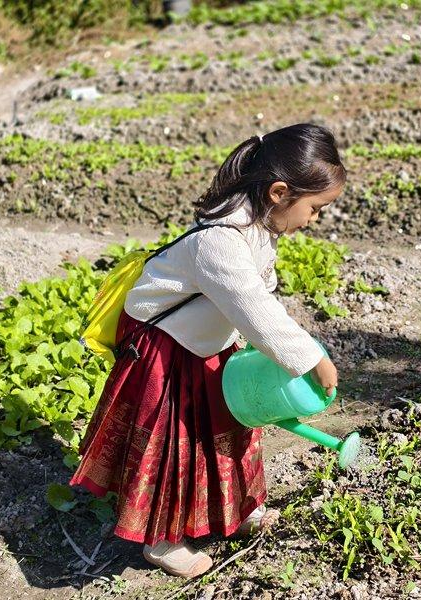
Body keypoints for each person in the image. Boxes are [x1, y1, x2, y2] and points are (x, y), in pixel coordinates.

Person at [69, 123, 345, 578]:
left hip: (207, 346)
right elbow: (253, 306)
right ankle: (161, 539)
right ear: (279, 192)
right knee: (173, 443)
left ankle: (237, 510)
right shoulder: (218, 242)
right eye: (315, 208)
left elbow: (257, 297)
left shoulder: (257, 227)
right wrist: (310, 358)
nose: (314, 219)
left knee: (229, 427)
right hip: (166, 352)